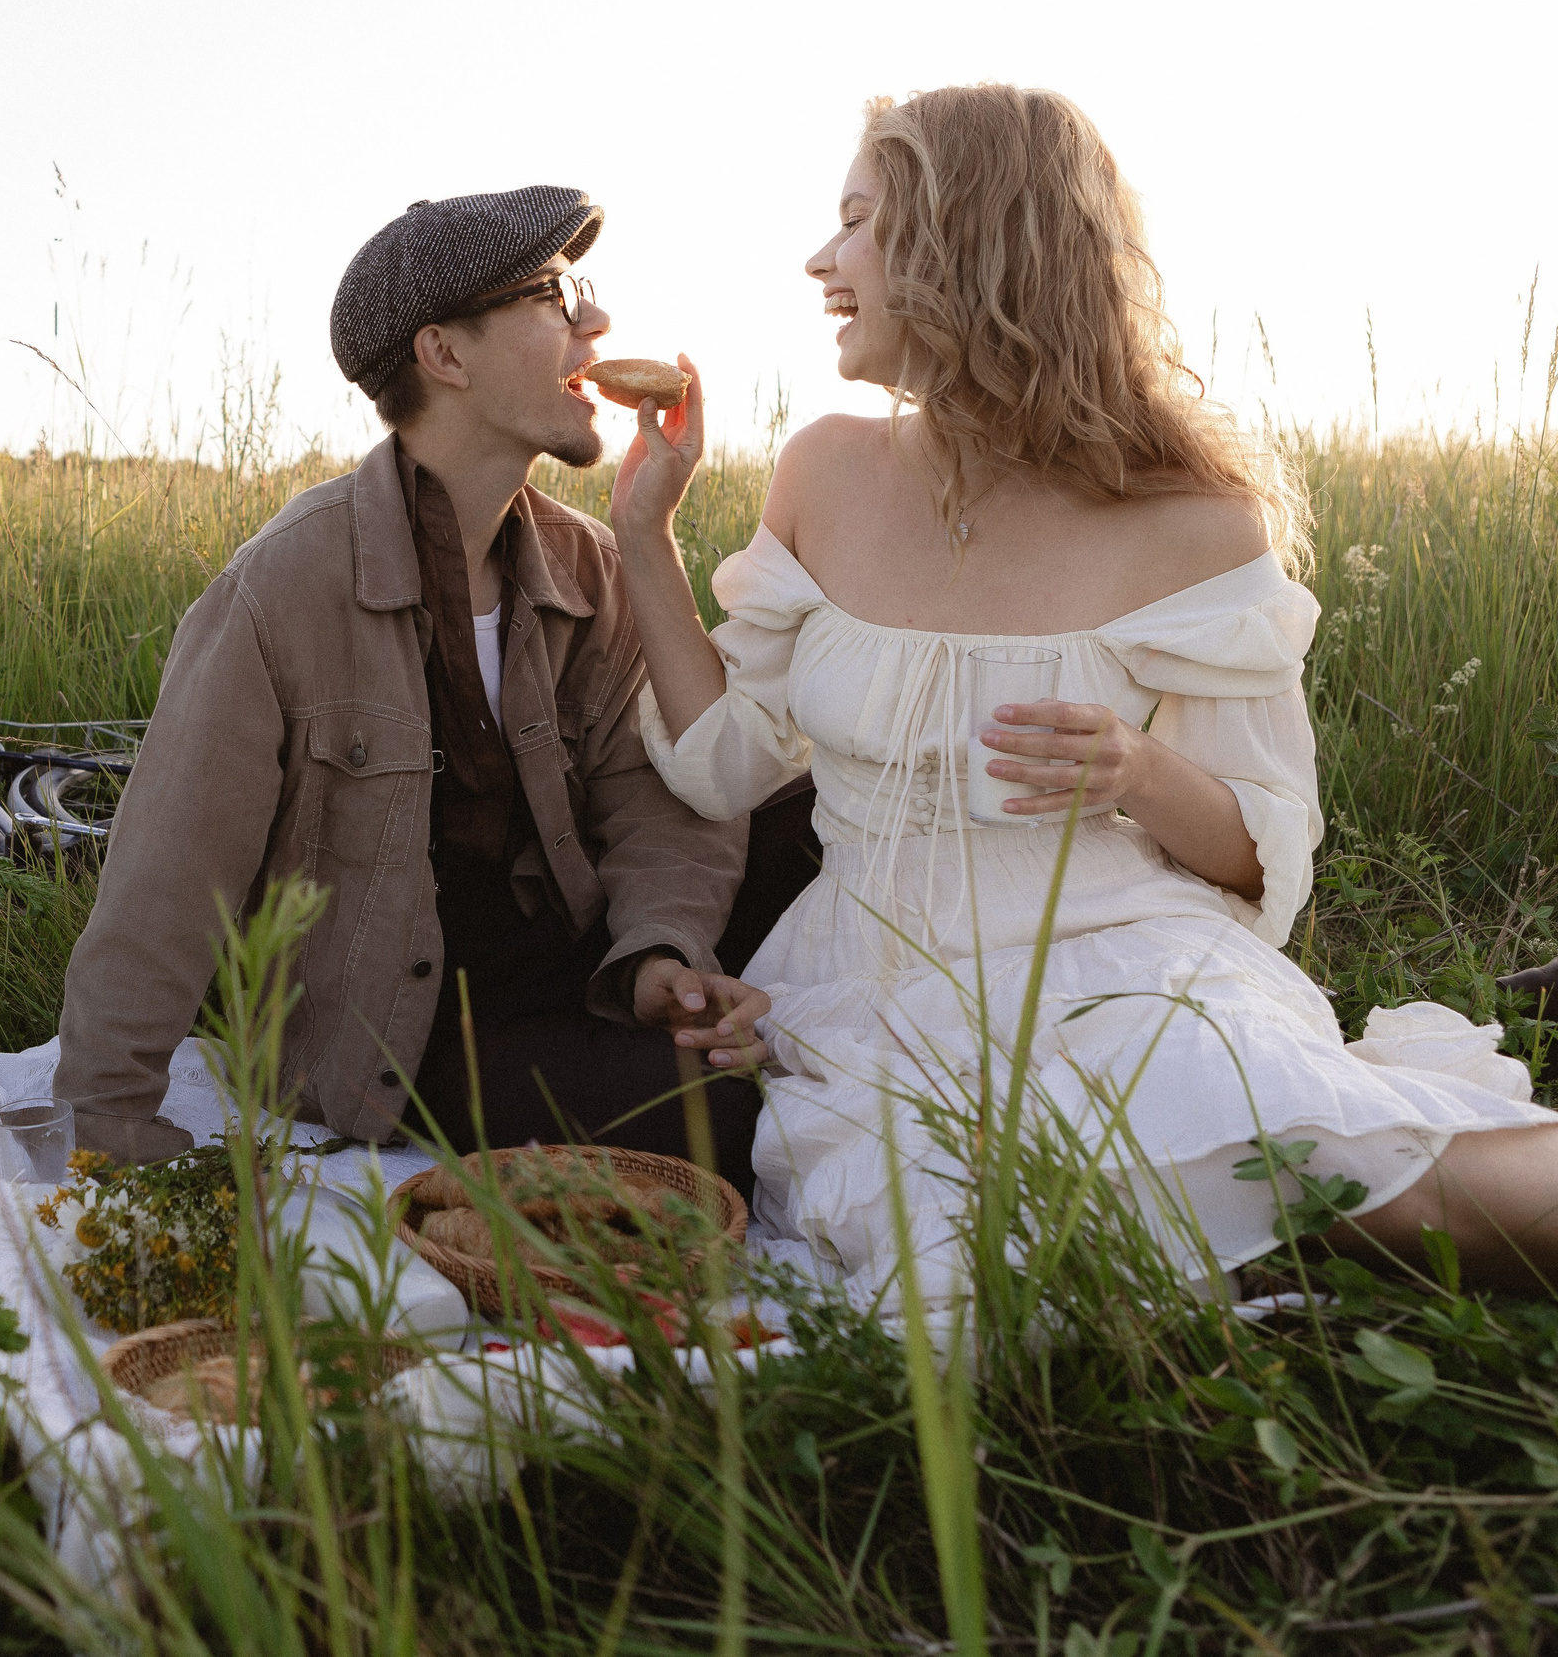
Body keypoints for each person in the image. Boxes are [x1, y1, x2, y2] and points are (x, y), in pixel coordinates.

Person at [607, 86, 1558, 1301]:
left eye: (856, 222)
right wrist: (646, 528)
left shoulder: (1188, 517)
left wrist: (1139, 770)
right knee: (986, 1260)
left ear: (964, 242)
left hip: (1123, 951)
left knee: (1361, 1187)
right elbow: (723, 764)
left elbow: (1263, 855)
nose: (819, 259)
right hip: (872, 981)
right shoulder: (824, 469)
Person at [51, 188, 824, 1185]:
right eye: (553, 297)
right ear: (445, 357)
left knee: (811, 809)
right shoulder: (284, 587)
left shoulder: (586, 564)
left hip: (571, 952)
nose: (593, 324)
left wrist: (657, 955)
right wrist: (106, 1132)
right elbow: (168, 878)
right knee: (719, 1116)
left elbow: (659, 796)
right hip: (402, 1015)